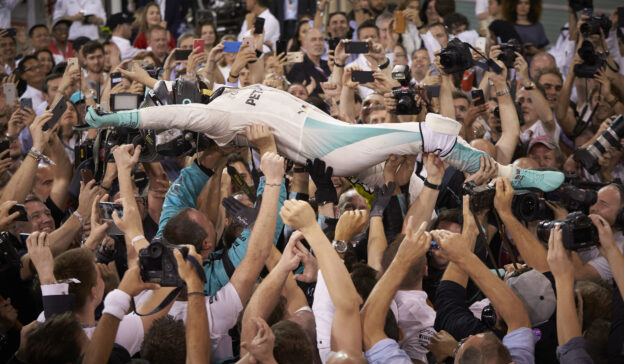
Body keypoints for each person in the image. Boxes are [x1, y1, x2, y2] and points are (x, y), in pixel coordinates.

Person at [86, 84, 565, 194]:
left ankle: (493, 184)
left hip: (338, 139)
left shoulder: (236, 92)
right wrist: (113, 119)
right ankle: (507, 175)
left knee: (415, 182)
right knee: (435, 128)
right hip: (330, 151)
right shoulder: (218, 117)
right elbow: (174, 112)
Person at [286, 29, 329, 95]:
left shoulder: (329, 65)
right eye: (313, 40)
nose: (318, 43)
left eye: (321, 39)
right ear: (305, 44)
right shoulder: (298, 68)